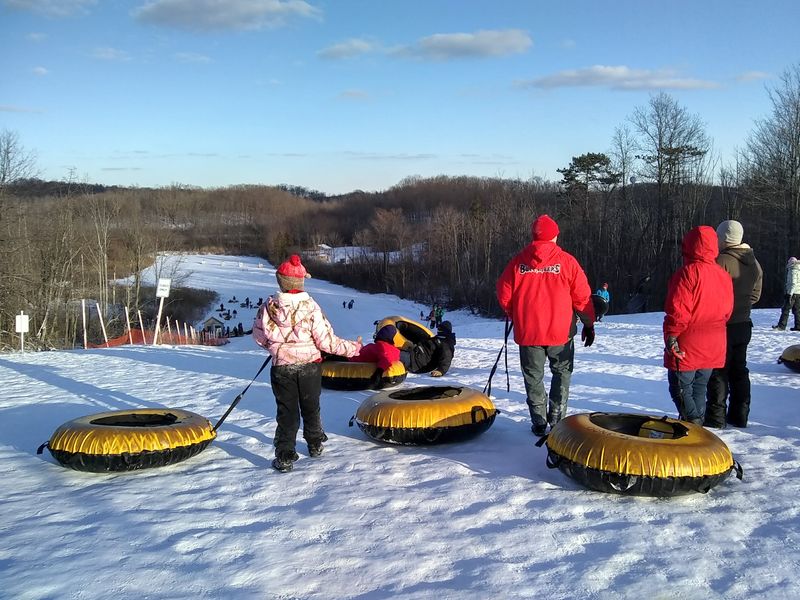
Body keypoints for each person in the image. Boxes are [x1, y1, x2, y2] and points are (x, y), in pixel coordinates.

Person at [253, 254, 362, 473]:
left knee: (287, 412)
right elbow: (326, 341)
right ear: (301, 282)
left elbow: (259, 335)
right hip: (310, 367)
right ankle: (314, 444)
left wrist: (276, 348)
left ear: (280, 282)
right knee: (311, 407)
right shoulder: (311, 308)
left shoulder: (269, 307)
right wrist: (353, 348)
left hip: (282, 368)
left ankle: (285, 456)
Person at [496, 214, 596, 436]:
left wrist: (518, 314)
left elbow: (503, 294)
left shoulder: (518, 263)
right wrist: (589, 324)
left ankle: (539, 422)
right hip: (561, 333)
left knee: (533, 377)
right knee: (561, 373)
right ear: (555, 236)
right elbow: (583, 298)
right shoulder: (567, 262)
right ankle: (557, 419)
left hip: (529, 333)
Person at [663, 226, 733, 426]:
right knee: (699, 387)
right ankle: (696, 425)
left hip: (688, 340)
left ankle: (693, 424)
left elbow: (678, 310)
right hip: (714, 341)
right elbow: (727, 310)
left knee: (680, 388)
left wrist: (672, 336)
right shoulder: (722, 275)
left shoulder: (687, 273)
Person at [705, 220, 762, 429]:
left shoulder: (721, 261)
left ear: (724, 238)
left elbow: (709, 293)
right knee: (739, 371)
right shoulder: (754, 262)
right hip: (744, 324)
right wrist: (742, 305)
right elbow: (756, 295)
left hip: (723, 324)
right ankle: (740, 415)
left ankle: (715, 418)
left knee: (719, 371)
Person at [773, 257, 800, 331]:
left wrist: (789, 294)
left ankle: (781, 326)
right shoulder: (798, 270)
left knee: (785, 310)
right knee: (797, 310)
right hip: (798, 293)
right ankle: (798, 326)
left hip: (793, 293)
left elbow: (793, 283)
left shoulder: (793, 270)